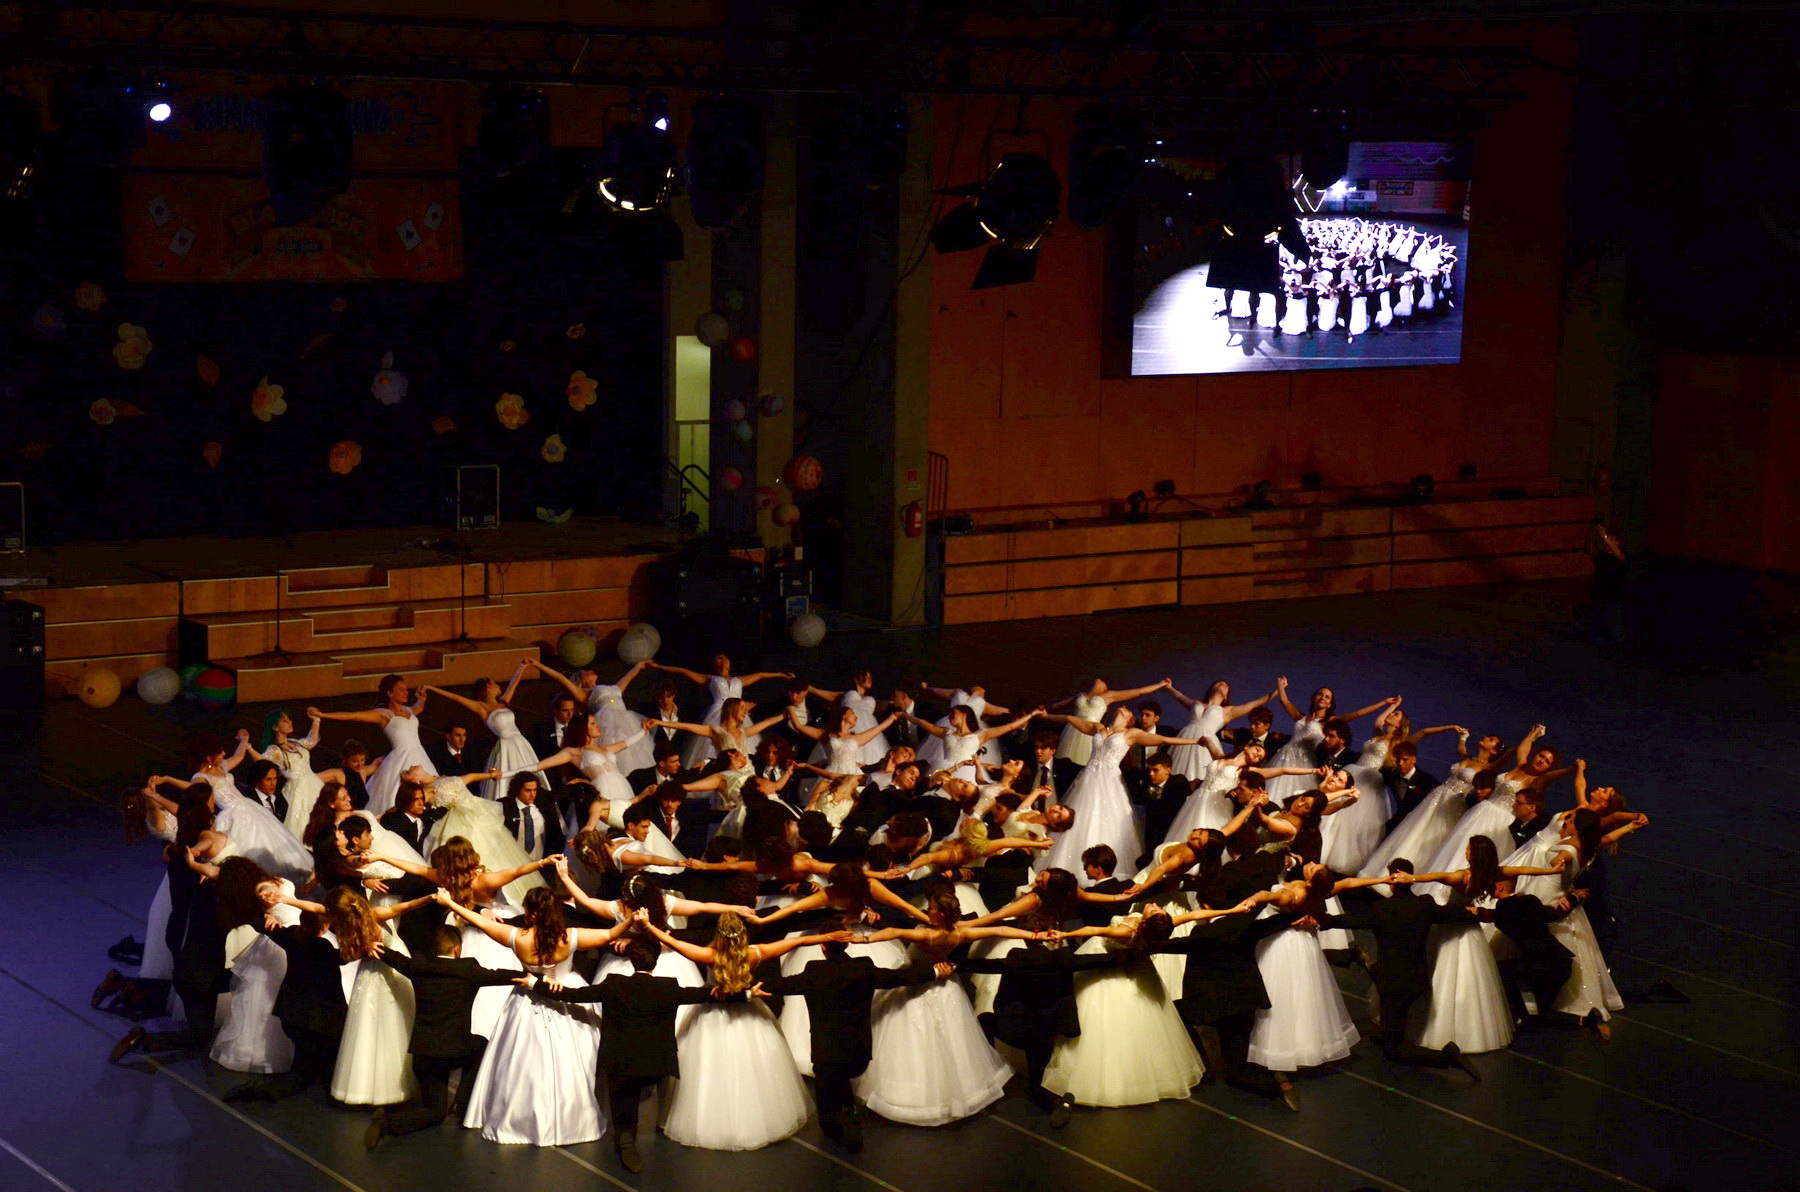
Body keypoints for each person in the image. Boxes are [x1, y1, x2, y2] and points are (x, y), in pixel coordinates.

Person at [437, 886, 632, 1145]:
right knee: (574, 1063)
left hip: (526, 1000)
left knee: (518, 1062)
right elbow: (610, 934)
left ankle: (519, 1120)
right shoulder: (569, 937)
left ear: (529, 913)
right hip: (565, 996)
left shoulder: (517, 937)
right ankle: (569, 1119)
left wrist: (451, 903)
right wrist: (633, 919)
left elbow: (479, 921)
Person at [533, 935, 742, 1173]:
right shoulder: (668, 987)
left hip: (621, 1062)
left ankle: (625, 1137)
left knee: (623, 1094)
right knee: (649, 1086)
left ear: (632, 960)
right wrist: (745, 994)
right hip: (657, 1064)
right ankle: (657, 1125)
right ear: (656, 961)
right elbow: (706, 995)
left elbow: (573, 995)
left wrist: (534, 984)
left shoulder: (613, 984)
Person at [635, 911, 839, 1150]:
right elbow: (799, 941)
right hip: (749, 1014)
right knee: (752, 1068)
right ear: (743, 934)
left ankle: (710, 1121)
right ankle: (754, 1120)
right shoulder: (755, 954)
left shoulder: (709, 955)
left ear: (718, 935)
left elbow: (674, 943)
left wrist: (648, 925)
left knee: (707, 1069)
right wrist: (830, 936)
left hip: (710, 1018)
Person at [761, 939, 948, 1151]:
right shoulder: (863, 967)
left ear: (823, 947)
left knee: (827, 1090)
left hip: (827, 1049)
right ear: (846, 946)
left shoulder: (815, 970)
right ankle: (849, 1119)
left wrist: (750, 988)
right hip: (858, 1049)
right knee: (842, 1083)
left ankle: (834, 1129)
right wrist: (934, 972)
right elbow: (897, 977)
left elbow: (785, 985)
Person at [1315, 860, 1482, 1076]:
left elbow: (1352, 920)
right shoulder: (1424, 904)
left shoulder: (1382, 908)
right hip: (1416, 979)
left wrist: (1323, 920)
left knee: (1394, 1049)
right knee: (1395, 1023)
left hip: (1391, 982)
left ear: (1391, 881)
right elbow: (1449, 914)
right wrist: (1476, 912)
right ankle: (1388, 1033)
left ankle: (1446, 1058)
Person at [364, 925, 527, 1147]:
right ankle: (462, 1102)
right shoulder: (468, 970)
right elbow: (501, 976)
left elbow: (396, 959)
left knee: (434, 1112)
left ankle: (387, 1123)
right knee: (481, 1045)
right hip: (455, 1051)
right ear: (457, 948)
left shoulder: (419, 966)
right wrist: (532, 976)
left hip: (423, 1055)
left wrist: (373, 947)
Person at [1040, 905, 1206, 1107]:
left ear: (1146, 922)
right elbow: (1194, 914)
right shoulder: (1158, 924)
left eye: (1155, 910)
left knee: (1104, 1023)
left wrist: (1065, 934)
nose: (1155, 905)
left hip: (1107, 972)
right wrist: (1232, 910)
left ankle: (1108, 1083)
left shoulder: (1127, 931)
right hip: (1134, 970)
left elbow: (1093, 930)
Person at [1035, 704, 1203, 877]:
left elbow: (1163, 739)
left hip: (1109, 782)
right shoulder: (1099, 728)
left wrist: (1195, 741)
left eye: (1128, 710)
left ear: (1129, 719)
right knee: (1079, 816)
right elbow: (1071, 719)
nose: (1123, 707)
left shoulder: (1130, 733)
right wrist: (1047, 716)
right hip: (1088, 778)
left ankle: (1099, 869)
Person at [309, 674, 434, 817]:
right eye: (401, 690)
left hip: (419, 755)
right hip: (400, 759)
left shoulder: (409, 710)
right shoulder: (383, 714)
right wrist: (324, 715)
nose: (406, 693)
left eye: (406, 689)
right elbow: (353, 715)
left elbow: (419, 707)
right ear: (389, 693)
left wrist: (422, 699)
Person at [647, 655, 795, 767]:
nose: (721, 659)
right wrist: (659, 666)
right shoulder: (710, 679)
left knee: (742, 742)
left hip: (737, 711)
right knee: (717, 742)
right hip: (719, 712)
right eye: (718, 658)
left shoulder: (739, 679)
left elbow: (760, 675)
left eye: (723, 657)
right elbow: (683, 671)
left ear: (729, 662)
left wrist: (779, 675)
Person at [1046, 677, 1171, 767]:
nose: (1101, 681)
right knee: (1064, 762)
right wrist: (1043, 713)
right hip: (1072, 730)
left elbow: (1138, 692)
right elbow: (1059, 706)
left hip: (1090, 732)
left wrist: (1160, 685)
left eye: (1104, 684)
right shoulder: (1081, 696)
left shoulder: (1108, 696)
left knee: (1083, 762)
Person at [1128, 751, 1190, 855]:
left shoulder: (1178, 783)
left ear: (1168, 770)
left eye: (1155, 770)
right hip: (1151, 832)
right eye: (1150, 770)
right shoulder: (1147, 782)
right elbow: (1137, 799)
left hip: (1174, 830)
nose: (1151, 774)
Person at [501, 772, 563, 861]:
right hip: (512, 861)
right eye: (528, 790)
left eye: (535, 790)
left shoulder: (544, 806)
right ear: (518, 790)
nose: (532, 794)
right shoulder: (505, 807)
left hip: (540, 862)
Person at [1014, 731, 1082, 805]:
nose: (1038, 751)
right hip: (1029, 810)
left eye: (1043, 748)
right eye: (1036, 747)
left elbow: (1085, 771)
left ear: (1052, 750)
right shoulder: (1028, 767)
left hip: (1054, 810)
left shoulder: (1064, 765)